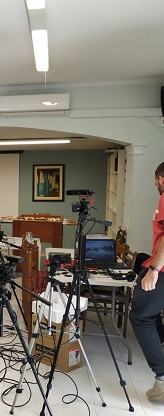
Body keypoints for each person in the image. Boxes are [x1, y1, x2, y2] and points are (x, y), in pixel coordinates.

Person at [130, 161, 164, 400]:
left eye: (156, 183)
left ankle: (162, 378)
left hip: (161, 269)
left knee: (140, 316)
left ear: (161, 179)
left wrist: (154, 269)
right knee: (149, 315)